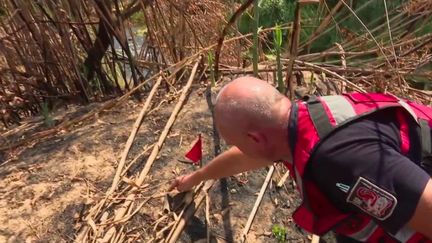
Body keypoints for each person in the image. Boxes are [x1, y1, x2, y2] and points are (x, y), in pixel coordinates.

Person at [169, 76, 432, 242]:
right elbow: (245, 157)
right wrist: (197, 177)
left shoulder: (341, 161)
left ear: (256, 139)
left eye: (238, 142)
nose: (240, 149)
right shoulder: (299, 122)